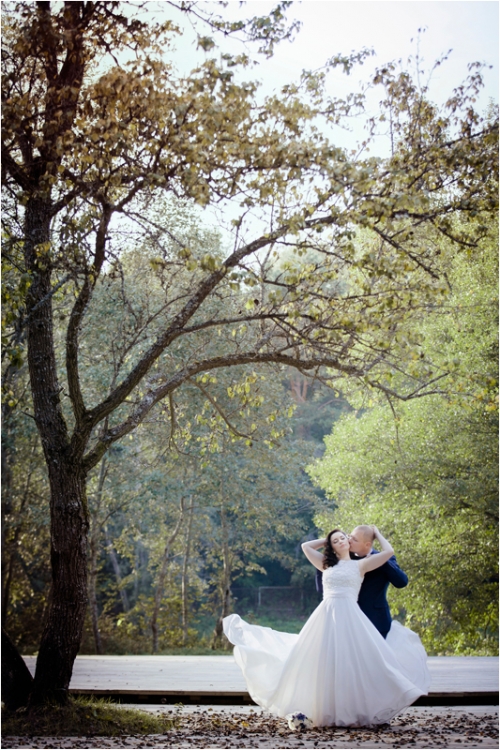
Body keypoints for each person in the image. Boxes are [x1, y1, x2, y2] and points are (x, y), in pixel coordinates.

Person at [223, 527, 430, 728]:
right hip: (325, 615)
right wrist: (329, 539)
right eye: (336, 541)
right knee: (321, 660)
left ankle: (351, 709)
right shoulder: (325, 564)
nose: (341, 542)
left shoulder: (361, 565)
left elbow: (388, 552)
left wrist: (376, 532)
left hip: (350, 615)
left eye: (344, 539)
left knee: (351, 662)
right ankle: (323, 710)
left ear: (350, 542)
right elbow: (305, 546)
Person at [315, 524, 408, 638]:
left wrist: (380, 559)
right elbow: (322, 585)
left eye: (354, 539)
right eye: (349, 536)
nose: (349, 540)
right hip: (346, 618)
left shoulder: (384, 558)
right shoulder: (342, 557)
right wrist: (330, 539)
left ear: (367, 544)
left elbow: (401, 582)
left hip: (375, 619)